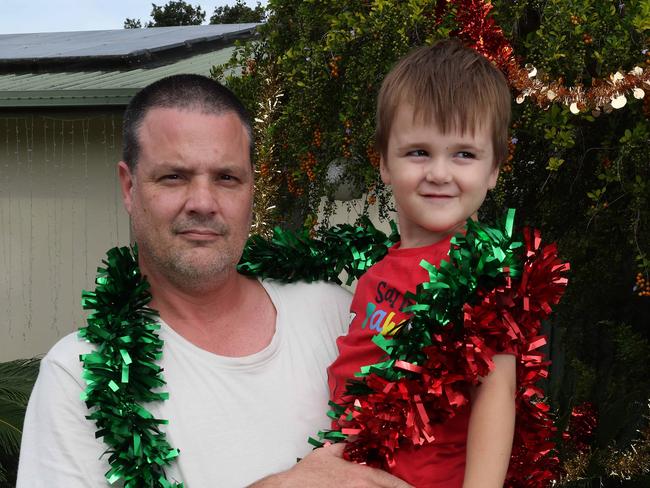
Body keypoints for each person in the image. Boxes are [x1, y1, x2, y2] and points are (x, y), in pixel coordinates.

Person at [17, 74, 411, 488]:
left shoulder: (338, 315)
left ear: (251, 189)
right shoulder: (80, 375)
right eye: (174, 176)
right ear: (129, 187)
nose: (203, 203)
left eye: (226, 178)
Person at [327, 39, 516, 488]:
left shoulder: (479, 272)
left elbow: (497, 394)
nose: (439, 173)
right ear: (384, 164)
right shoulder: (377, 273)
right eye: (418, 152)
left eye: (464, 154)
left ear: (494, 169)